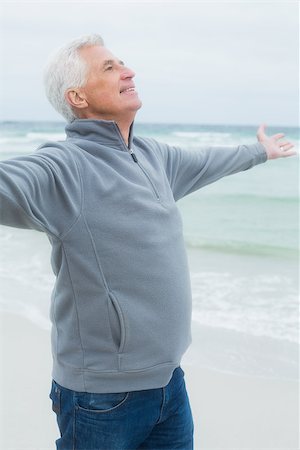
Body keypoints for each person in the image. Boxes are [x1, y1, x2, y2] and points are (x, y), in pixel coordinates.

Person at [0, 33, 295, 450]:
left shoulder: (153, 156)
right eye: (109, 67)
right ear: (78, 97)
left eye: (122, 62)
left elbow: (208, 160)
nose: (128, 71)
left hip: (170, 384)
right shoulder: (64, 169)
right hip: (100, 399)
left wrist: (258, 152)